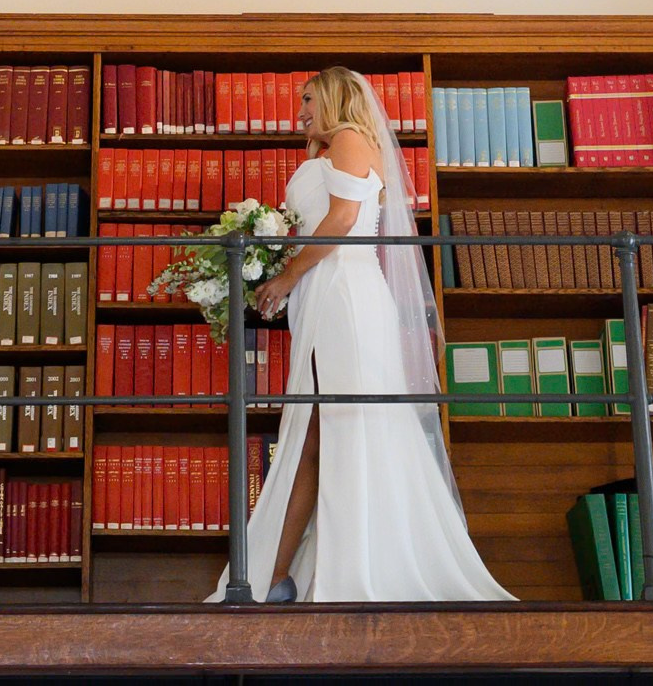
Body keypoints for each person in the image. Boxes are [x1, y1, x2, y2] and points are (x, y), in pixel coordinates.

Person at [216, 67, 510, 602]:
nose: (299, 110)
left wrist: (285, 275)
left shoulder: (351, 138)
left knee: (336, 431)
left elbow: (345, 217)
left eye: (307, 99)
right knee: (315, 433)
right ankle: (278, 575)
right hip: (321, 298)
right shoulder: (323, 155)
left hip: (346, 298)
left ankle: (339, 569)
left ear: (332, 99)